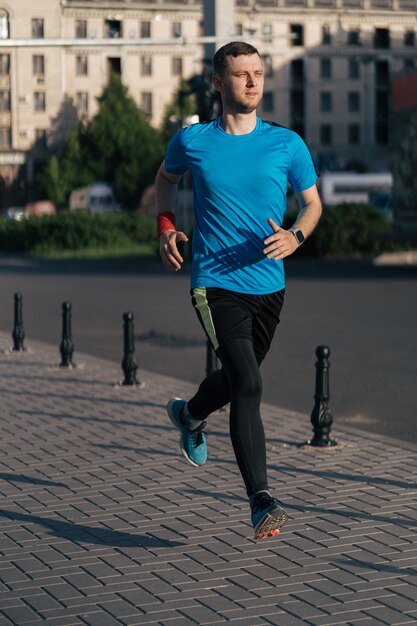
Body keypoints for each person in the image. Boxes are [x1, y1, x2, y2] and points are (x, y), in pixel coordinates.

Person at [155, 41, 322, 540]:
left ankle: (189, 415)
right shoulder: (193, 140)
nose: (252, 81)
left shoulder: (287, 144)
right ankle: (260, 500)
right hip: (214, 283)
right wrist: (166, 227)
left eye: (257, 72)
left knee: (236, 379)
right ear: (217, 83)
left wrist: (296, 235)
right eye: (240, 73)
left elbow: (312, 205)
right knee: (249, 383)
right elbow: (165, 182)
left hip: (269, 287)